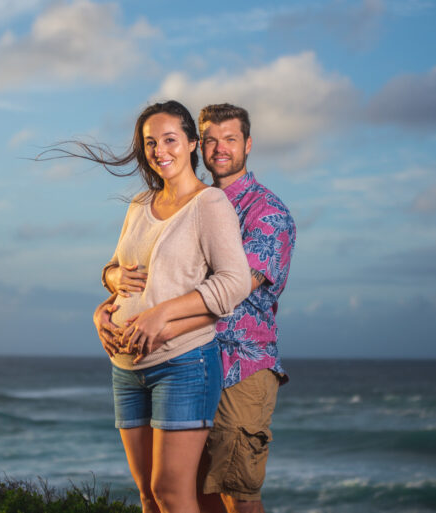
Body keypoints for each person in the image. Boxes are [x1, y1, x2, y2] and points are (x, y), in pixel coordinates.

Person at [96, 104, 296, 513]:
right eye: (211, 139)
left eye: (231, 139)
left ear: (249, 145)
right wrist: (110, 288)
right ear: (199, 145)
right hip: (183, 355)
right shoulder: (174, 199)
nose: (219, 148)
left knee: (237, 493)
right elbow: (148, 270)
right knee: (191, 493)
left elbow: (235, 290)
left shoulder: (266, 213)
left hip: (239, 363)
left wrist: (164, 320)